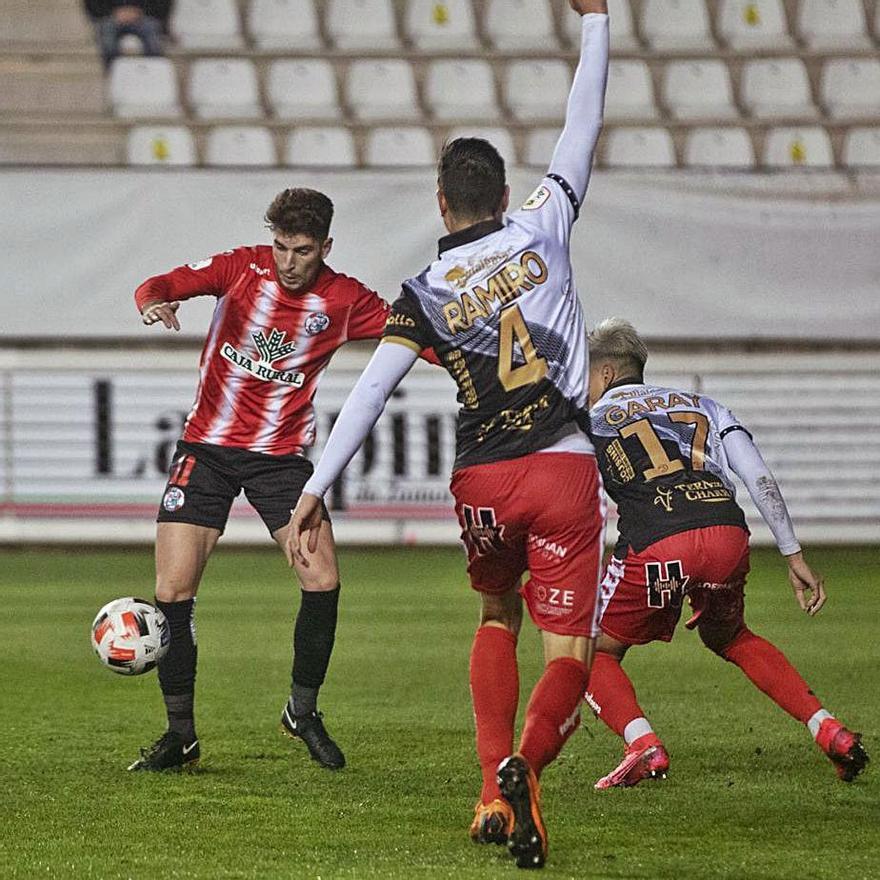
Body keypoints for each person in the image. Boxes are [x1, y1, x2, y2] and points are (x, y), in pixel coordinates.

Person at [288, 1, 610, 868]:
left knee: (495, 612)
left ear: (441, 202)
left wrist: (315, 491)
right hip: (565, 469)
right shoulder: (546, 221)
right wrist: (596, 22)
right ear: (505, 196)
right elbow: (583, 124)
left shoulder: (422, 292)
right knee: (570, 650)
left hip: (481, 482)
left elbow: (371, 393)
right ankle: (526, 768)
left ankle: (485, 793)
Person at [128, 188, 434, 773]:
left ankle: (302, 710)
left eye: (301, 250)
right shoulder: (239, 268)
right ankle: (181, 736)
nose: (288, 262)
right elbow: (159, 284)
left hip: (281, 460)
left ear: (325, 247)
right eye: (280, 248)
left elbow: (413, 335)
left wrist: (475, 362)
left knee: (322, 581)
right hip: (207, 451)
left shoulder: (344, 300)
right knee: (171, 593)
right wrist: (152, 303)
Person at [583, 317, 869, 789]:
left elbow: (581, 498)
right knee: (732, 636)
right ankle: (829, 730)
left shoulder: (589, 419)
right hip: (727, 536)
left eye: (588, 374)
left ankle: (643, 745)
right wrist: (792, 553)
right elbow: (758, 477)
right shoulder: (704, 405)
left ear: (608, 373)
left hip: (657, 541)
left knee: (592, 652)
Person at [83, 1, 165, 70]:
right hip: (111, 17)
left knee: (153, 42)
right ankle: (115, 74)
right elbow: (92, 4)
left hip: (143, 16)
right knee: (108, 42)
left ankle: (153, 74)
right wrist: (113, 13)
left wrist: (139, 12)